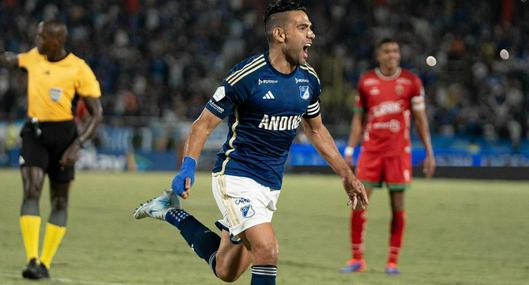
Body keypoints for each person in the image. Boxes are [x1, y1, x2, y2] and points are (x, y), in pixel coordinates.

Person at [133, 1, 368, 284]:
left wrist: (346, 173)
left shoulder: (309, 79)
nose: (312, 35)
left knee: (226, 271)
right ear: (280, 35)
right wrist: (188, 168)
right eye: (303, 27)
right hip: (236, 177)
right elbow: (202, 125)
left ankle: (169, 212)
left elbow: (316, 130)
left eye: (311, 28)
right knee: (267, 250)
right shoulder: (247, 76)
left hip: (270, 185)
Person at [0, 20, 103, 279]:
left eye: (41, 37)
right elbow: (12, 60)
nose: (36, 41)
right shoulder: (34, 57)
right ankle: (32, 259)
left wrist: (78, 145)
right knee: (31, 190)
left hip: (65, 136)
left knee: (59, 200)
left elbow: (96, 114)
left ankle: (44, 263)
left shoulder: (79, 69)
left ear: (56, 40)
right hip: (35, 133)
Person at [339, 38, 436, 275]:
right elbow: (358, 120)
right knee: (358, 202)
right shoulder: (367, 81)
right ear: (378, 55)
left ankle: (392, 261)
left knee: (397, 206)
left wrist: (429, 152)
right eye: (387, 51)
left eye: (395, 51)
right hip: (371, 152)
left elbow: (421, 120)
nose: (392, 55)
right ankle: (357, 258)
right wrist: (350, 150)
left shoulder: (411, 82)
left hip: (397, 153)